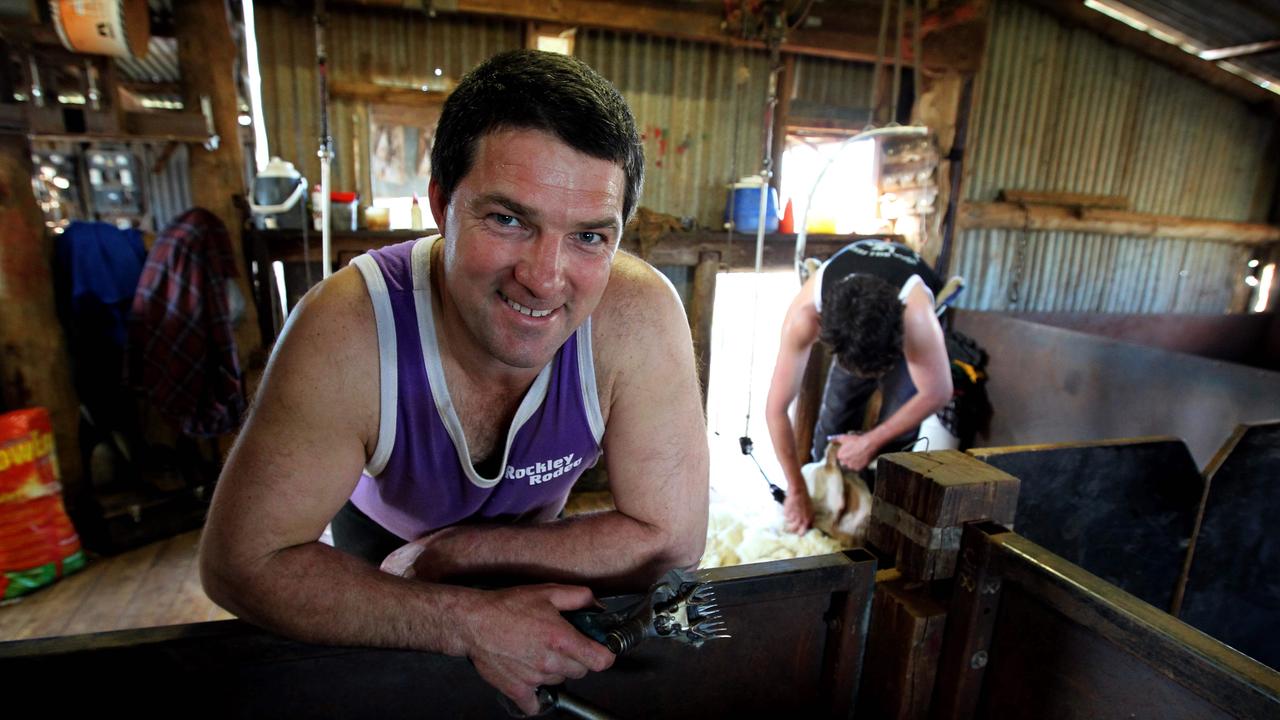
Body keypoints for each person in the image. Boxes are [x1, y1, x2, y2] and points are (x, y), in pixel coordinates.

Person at [199, 50, 709, 716]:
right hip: (380, 539)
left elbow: (672, 540)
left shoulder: (639, 317)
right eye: (508, 220)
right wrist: (461, 619)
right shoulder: (347, 328)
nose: (546, 277)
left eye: (588, 236)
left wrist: (457, 556)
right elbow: (242, 562)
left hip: (518, 543)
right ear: (442, 204)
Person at [765, 239, 952, 534]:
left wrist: (872, 440)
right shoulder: (806, 317)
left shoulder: (916, 318)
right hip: (857, 326)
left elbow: (939, 392)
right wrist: (796, 488)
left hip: (899, 331)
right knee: (831, 429)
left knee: (895, 442)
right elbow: (775, 410)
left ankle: (879, 526)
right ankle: (824, 508)